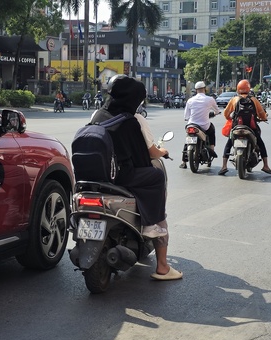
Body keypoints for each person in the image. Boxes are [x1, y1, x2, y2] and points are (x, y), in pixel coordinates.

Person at [91, 75, 182, 281]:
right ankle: (153, 231)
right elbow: (144, 157)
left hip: (97, 176)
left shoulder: (97, 115)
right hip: (122, 176)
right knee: (156, 176)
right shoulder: (131, 120)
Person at [218, 79, 271, 175]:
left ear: (238, 89)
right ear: (248, 88)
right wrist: (264, 118)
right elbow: (261, 114)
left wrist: (230, 118)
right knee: (260, 143)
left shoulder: (234, 99)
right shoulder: (253, 100)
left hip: (236, 127)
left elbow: (226, 114)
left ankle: (224, 166)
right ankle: (266, 166)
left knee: (229, 144)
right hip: (251, 128)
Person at [180, 81, 220, 169]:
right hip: (204, 126)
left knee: (188, 139)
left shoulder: (190, 100)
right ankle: (212, 151)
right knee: (212, 130)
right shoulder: (210, 99)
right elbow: (217, 111)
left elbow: (186, 116)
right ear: (205, 89)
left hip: (191, 125)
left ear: (196, 90)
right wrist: (215, 113)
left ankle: (183, 162)